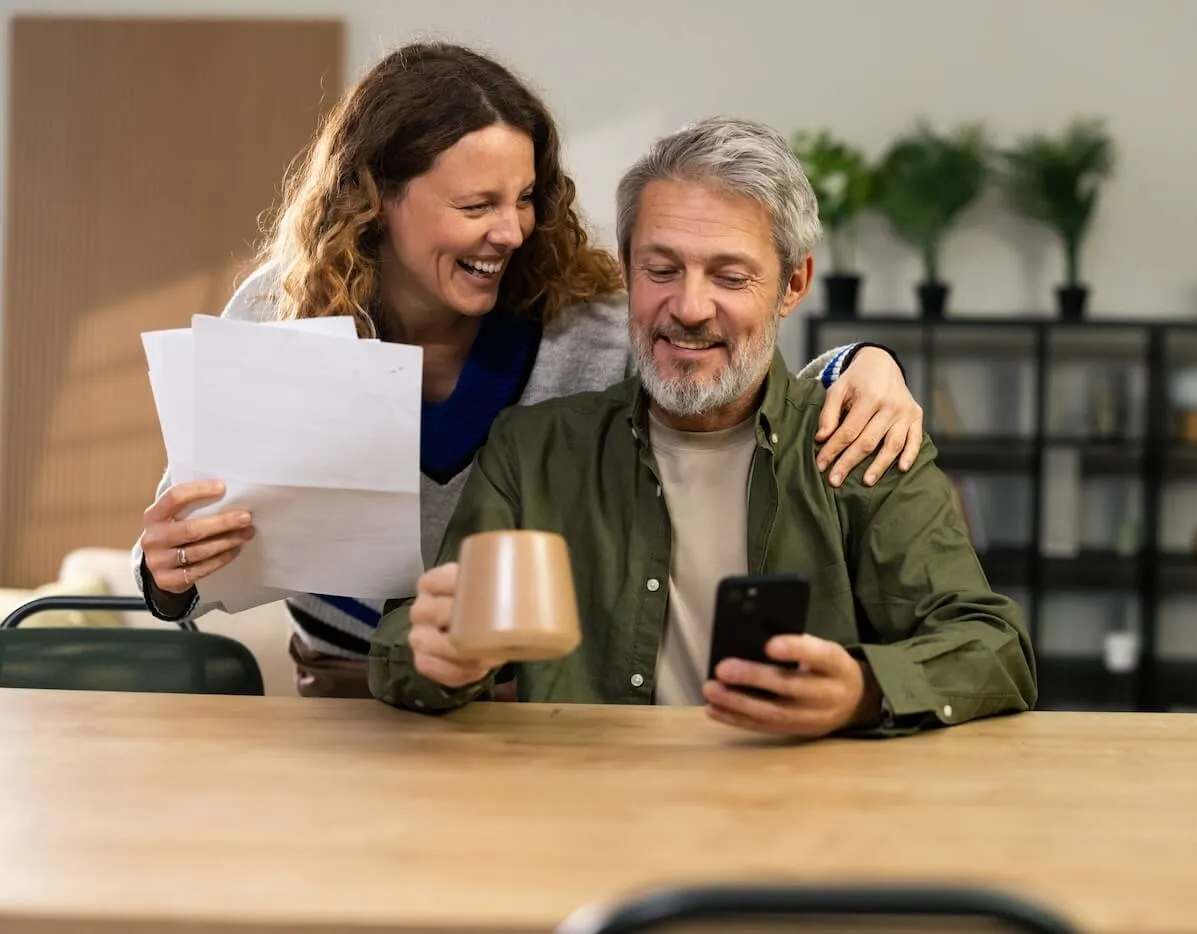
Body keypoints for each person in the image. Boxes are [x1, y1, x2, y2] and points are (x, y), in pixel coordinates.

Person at [131, 43, 926, 699]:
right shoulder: (277, 311)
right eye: (477, 206)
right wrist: (166, 572)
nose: (511, 231)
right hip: (340, 691)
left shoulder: (592, 318)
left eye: (525, 198)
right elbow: (190, 543)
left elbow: (728, 382)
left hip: (527, 698)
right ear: (375, 198)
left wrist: (863, 362)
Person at [368, 116, 1037, 738]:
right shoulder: (532, 449)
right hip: (580, 813)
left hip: (801, 818)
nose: (688, 308)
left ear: (793, 284)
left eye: (730, 276)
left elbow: (994, 646)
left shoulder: (857, 439)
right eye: (661, 270)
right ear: (627, 271)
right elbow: (409, 642)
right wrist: (436, 658)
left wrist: (863, 690)